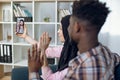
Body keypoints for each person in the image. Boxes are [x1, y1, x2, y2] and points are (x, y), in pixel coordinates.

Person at [63, 0, 120, 80]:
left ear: (77, 27)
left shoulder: (79, 73)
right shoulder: (106, 52)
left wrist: (38, 72)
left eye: (70, 24)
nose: (68, 28)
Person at [16, 15, 78, 80]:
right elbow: (48, 51)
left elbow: (49, 78)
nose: (58, 31)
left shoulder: (75, 66)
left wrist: (33, 70)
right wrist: (26, 36)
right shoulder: (69, 49)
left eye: (61, 29)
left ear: (68, 31)